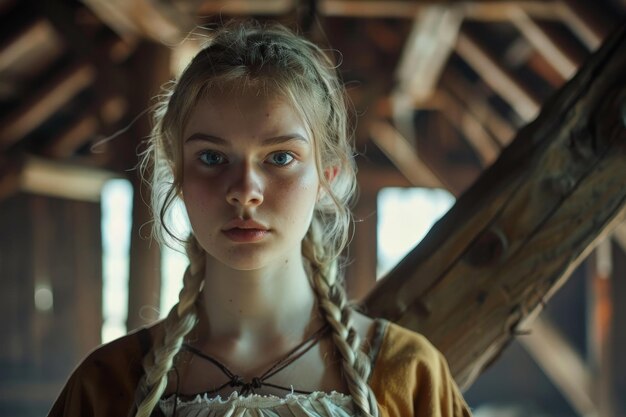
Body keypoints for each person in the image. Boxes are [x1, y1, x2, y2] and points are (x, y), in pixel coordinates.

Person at [48, 21, 472, 417]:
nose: (245, 189)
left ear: (328, 176)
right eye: (212, 157)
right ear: (177, 174)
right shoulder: (106, 386)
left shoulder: (411, 378)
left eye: (280, 157)